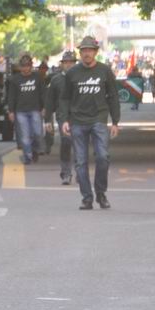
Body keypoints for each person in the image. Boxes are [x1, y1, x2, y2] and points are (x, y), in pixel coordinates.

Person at [60, 36, 120, 210]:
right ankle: (87, 197)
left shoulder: (104, 71)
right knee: (80, 162)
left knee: (103, 157)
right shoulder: (72, 73)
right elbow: (65, 98)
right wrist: (64, 120)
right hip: (77, 121)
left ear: (95, 52)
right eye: (84, 51)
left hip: (99, 119)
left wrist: (115, 121)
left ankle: (101, 193)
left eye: (90, 50)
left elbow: (113, 96)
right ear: (80, 53)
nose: (87, 53)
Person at [4, 53, 48, 164]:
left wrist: (44, 107)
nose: (26, 68)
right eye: (23, 66)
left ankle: (35, 150)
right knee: (25, 136)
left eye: (28, 66)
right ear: (20, 67)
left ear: (31, 66)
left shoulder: (37, 77)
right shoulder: (15, 79)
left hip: (35, 109)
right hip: (20, 111)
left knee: (37, 133)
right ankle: (27, 156)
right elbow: (11, 96)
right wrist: (11, 111)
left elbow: (43, 93)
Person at [45, 49, 76, 186]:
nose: (68, 64)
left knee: (80, 144)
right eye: (66, 62)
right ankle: (66, 172)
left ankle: (81, 171)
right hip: (62, 116)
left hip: (79, 115)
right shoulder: (56, 80)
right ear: (62, 64)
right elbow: (50, 101)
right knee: (66, 141)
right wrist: (47, 120)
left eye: (71, 62)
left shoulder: (81, 77)